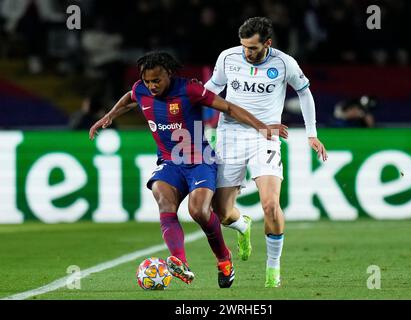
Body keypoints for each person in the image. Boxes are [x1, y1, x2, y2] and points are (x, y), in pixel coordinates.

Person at [88, 51, 287, 288]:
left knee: (200, 212)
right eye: (147, 81)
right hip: (169, 163)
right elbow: (129, 97)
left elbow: (229, 108)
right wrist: (109, 116)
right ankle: (180, 262)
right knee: (162, 198)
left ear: (169, 74)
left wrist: (262, 127)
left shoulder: (190, 90)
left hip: (200, 161)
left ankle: (224, 259)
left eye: (156, 80)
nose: (151, 86)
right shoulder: (141, 89)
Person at [204, 17, 328, 288]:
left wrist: (311, 134)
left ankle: (273, 270)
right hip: (230, 136)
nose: (247, 53)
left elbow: (305, 93)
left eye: (253, 48)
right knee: (221, 213)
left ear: (267, 44)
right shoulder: (228, 58)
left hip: (267, 137)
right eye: (244, 47)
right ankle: (242, 224)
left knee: (270, 204)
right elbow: (210, 89)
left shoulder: (285, 63)